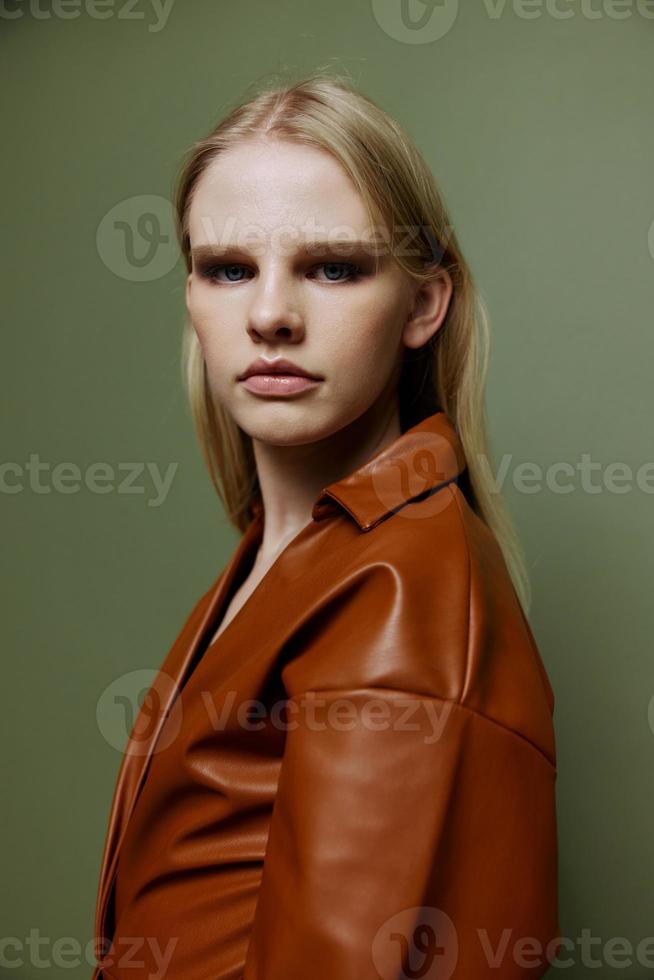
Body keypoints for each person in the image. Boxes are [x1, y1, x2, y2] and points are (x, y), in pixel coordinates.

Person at [91, 70, 560, 979]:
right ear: (190, 292)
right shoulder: (293, 558)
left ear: (424, 304)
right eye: (228, 268)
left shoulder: (396, 585)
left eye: (333, 267)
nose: (269, 316)